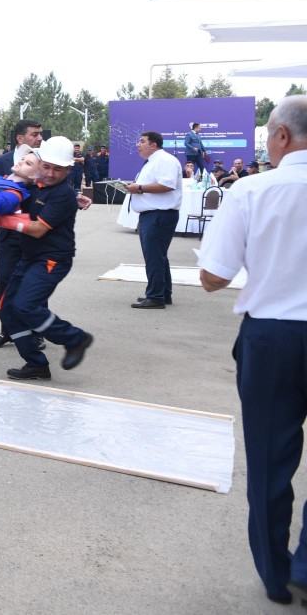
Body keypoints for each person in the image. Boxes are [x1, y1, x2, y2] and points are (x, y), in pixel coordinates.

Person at [196, 95, 307, 606]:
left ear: (282, 135)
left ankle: (275, 575)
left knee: (268, 458)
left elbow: (213, 278)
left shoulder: (252, 189)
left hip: (273, 336)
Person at [0, 137, 93, 381]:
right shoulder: (39, 186)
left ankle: (75, 339)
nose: (50, 173)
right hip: (30, 257)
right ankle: (36, 364)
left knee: (26, 306)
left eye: (57, 169)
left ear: (68, 169)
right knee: (9, 309)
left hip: (52, 260)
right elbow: (16, 204)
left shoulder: (63, 194)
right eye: (46, 166)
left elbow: (38, 229)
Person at [0, 119, 44, 348]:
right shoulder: (0, 163)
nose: (39, 138)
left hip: (34, 231)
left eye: (40, 134)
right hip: (7, 233)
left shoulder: (45, 161)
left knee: (33, 282)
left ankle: (36, 331)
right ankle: (8, 330)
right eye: (34, 134)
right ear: (20, 138)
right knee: (3, 279)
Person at [125, 131, 183, 309]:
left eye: (142, 141)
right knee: (158, 256)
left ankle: (155, 297)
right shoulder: (153, 161)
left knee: (154, 258)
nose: (138, 144)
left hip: (159, 215)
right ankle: (163, 293)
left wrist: (139, 188)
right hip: (152, 214)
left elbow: (167, 185)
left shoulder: (165, 160)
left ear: (153, 145)